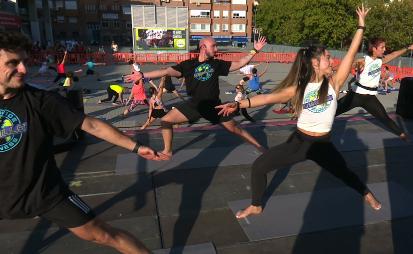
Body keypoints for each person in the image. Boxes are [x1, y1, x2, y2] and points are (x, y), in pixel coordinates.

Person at [0, 31, 167, 254]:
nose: (23, 69)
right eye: (13, 63)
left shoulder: (41, 102)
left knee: (104, 234)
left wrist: (135, 147)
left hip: (45, 193)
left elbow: (92, 125)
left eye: (23, 62)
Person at [216, 5, 381, 219]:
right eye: (328, 58)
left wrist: (361, 26)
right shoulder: (299, 88)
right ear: (315, 63)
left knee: (344, 173)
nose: (332, 61)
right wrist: (238, 105)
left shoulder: (335, 83)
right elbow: (266, 98)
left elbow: (351, 53)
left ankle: (366, 194)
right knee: (258, 167)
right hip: (299, 142)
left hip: (323, 144)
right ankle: (256, 205)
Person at [125, 36, 268, 159]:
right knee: (166, 121)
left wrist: (254, 50)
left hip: (213, 106)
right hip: (193, 105)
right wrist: (144, 75)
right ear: (203, 47)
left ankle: (260, 147)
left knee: (235, 129)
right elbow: (166, 70)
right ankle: (167, 151)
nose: (217, 49)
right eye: (214, 46)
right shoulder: (188, 65)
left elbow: (239, 63)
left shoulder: (216, 64)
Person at [335, 38, 413, 141]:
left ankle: (402, 134)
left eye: (384, 47)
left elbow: (393, 55)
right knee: (333, 111)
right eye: (382, 47)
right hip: (355, 95)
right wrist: (330, 70)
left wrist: (408, 48)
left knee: (384, 117)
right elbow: (345, 66)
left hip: (370, 98)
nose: (384, 49)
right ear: (374, 48)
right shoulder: (363, 60)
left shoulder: (380, 60)